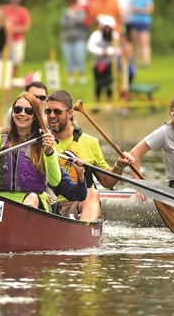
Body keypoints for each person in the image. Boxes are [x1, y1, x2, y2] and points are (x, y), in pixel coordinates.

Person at [45, 90, 135, 221]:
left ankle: (84, 231)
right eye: (48, 111)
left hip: (77, 204)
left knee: (92, 194)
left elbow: (107, 182)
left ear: (70, 113)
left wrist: (119, 166)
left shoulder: (90, 142)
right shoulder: (39, 141)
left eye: (57, 112)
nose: (52, 115)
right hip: (47, 204)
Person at [87, 15, 119, 111]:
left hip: (110, 64)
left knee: (110, 84)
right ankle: (97, 103)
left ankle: (109, 103)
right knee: (98, 84)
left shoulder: (115, 36)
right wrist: (101, 52)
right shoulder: (96, 35)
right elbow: (90, 47)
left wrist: (107, 52)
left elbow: (117, 49)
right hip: (97, 64)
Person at [61, 0, 89, 86]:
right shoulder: (66, 11)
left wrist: (71, 18)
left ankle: (82, 76)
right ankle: (71, 77)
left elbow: (81, 21)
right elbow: (63, 24)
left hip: (79, 38)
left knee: (80, 58)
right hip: (67, 39)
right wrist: (73, 19)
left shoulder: (81, 11)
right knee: (69, 59)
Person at [3, 0, 32, 74]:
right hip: (8, 39)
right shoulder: (6, 10)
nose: (14, 3)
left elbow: (28, 25)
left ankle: (14, 74)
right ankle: (8, 76)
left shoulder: (23, 11)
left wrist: (17, 29)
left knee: (18, 59)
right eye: (12, 1)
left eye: (16, 1)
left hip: (18, 39)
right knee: (8, 58)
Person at [129, 0, 154, 68]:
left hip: (144, 22)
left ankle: (146, 61)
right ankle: (138, 61)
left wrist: (138, 10)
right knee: (136, 42)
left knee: (144, 42)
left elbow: (149, 10)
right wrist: (142, 10)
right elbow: (131, 10)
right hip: (135, 21)